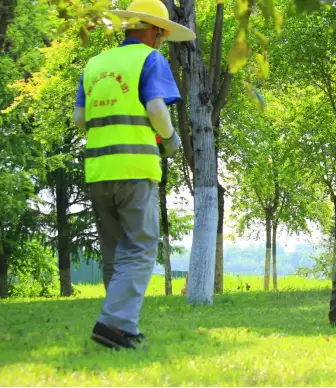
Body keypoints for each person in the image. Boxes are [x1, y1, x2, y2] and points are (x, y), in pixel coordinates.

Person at [72, 0, 195, 350]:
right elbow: (157, 108)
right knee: (141, 248)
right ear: (153, 30)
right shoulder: (150, 59)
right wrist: (170, 140)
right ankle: (114, 323)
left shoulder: (95, 64)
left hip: (98, 170)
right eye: (162, 33)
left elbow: (80, 119)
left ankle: (120, 329)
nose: (161, 40)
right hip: (135, 169)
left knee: (114, 252)